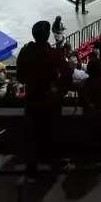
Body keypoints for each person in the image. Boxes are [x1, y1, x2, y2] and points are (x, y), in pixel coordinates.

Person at [17, 20, 68, 177]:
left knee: (32, 134)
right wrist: (60, 91)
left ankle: (31, 168)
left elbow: (20, 77)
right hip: (51, 101)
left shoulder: (25, 52)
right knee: (53, 132)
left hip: (33, 99)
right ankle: (54, 164)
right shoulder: (55, 54)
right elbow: (66, 75)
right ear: (48, 36)